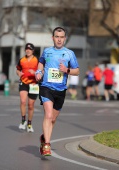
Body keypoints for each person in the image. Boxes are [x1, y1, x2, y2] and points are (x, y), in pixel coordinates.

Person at [35, 27, 79, 156]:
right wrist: (38, 72)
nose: (59, 39)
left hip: (61, 89)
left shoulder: (70, 53)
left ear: (65, 39)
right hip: (46, 87)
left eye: (61, 37)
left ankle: (44, 138)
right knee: (48, 115)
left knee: (53, 119)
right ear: (53, 38)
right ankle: (47, 145)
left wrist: (67, 70)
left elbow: (77, 71)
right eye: (57, 37)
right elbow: (41, 63)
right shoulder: (47, 51)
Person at [16, 43, 39, 132]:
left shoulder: (37, 60)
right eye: (26, 49)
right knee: (23, 101)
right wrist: (19, 73)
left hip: (34, 84)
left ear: (33, 51)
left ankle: (29, 124)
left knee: (30, 105)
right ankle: (23, 121)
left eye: (30, 49)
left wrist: (35, 73)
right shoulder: (21, 60)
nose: (28, 50)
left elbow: (42, 71)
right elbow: (18, 69)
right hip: (23, 83)